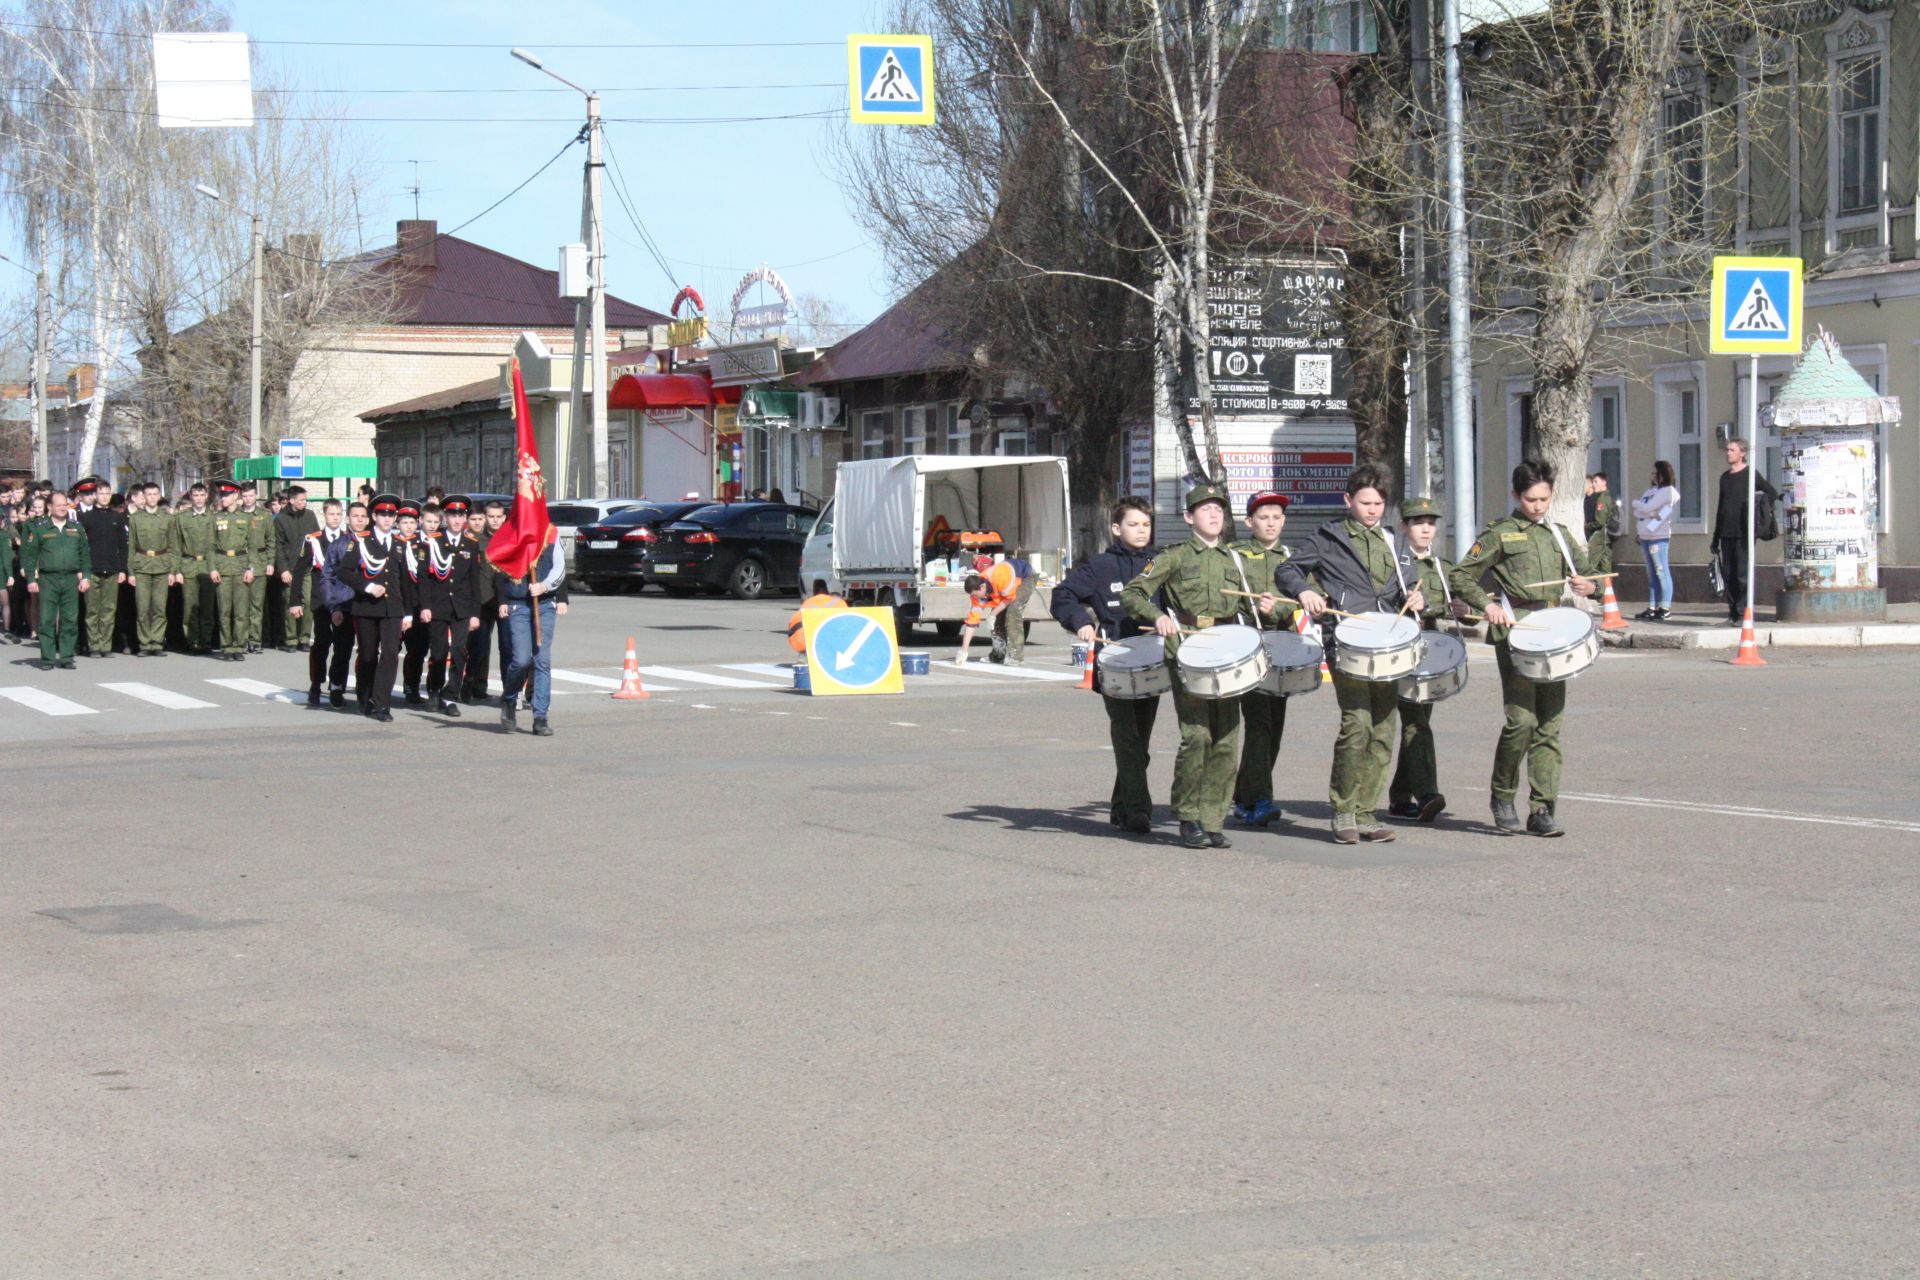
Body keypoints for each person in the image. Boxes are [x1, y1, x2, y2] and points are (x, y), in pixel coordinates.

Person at [1449, 460, 1597, 837]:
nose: (1538, 506)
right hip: (1515, 633)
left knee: (1549, 724)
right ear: (1517, 495)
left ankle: (1542, 809)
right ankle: (1502, 796)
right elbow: (1461, 574)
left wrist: (1588, 586)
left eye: (1545, 499)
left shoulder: (1558, 534)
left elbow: (1590, 573)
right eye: (1531, 499)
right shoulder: (1500, 534)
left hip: (1553, 632)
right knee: (1521, 722)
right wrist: (1488, 605)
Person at [1276, 464, 1422, 845]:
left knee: (1384, 726)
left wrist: (1420, 597)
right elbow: (1288, 569)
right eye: (1364, 502)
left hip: (1389, 643)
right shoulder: (1329, 537)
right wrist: (1304, 592)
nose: (1372, 509)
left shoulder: (1396, 540)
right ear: (1348, 501)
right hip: (1347, 641)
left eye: (1378, 503)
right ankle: (1343, 810)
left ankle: (1366, 812)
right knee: (1357, 722)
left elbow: (1414, 586)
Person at [1119, 482, 1244, 850]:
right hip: (1187, 649)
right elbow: (1132, 592)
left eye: (1219, 509)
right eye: (1206, 509)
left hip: (1226, 649)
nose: (1214, 514)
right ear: (1190, 517)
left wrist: (1271, 604)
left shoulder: (1234, 559)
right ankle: (1188, 817)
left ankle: (1213, 818)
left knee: (1226, 739)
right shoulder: (1174, 556)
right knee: (1197, 735)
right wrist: (1157, 615)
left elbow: (1255, 604)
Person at [1051, 495, 1160, 834]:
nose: (1141, 531)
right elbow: (1063, 594)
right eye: (1133, 524)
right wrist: (1080, 621)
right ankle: (1138, 810)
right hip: (1113, 664)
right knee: (1126, 737)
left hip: (1152, 663)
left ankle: (1120, 805)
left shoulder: (1159, 563)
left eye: (1145, 524)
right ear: (1116, 528)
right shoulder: (1101, 566)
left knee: (1140, 743)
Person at [1387, 496, 1461, 824]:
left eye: (1430, 522)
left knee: (1418, 721)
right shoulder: (1392, 564)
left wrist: (1465, 609)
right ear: (1404, 526)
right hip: (1399, 648)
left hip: (1430, 650)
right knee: (1416, 721)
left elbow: (1456, 602)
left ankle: (1400, 798)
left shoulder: (1441, 567)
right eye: (1418, 522)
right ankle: (1427, 792)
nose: (1426, 528)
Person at [1227, 491, 1299, 829]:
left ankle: (1244, 795)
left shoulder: (1293, 557)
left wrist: (1282, 606)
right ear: (1249, 522)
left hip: (1283, 647)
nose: (1271, 523)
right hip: (1248, 646)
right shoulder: (1236, 556)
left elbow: (1310, 594)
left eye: (1276, 517)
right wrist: (1253, 607)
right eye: (1263, 517)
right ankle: (1259, 799)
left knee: (1275, 728)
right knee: (1259, 724)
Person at [336, 494, 414, 723]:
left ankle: (382, 704)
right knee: (368, 655)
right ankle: (364, 694)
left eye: (392, 515)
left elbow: (406, 581)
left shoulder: (400, 544)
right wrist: (368, 586)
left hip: (392, 608)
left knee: (390, 654)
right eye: (383, 514)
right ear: (374, 516)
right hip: (367, 607)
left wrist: (408, 612)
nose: (388, 519)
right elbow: (345, 572)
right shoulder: (361, 541)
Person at [498, 535, 566, 736]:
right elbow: (500, 568)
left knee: (542, 660)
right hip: (518, 604)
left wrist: (545, 585)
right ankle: (509, 699)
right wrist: (503, 600)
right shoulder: (512, 535)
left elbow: (559, 568)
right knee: (521, 660)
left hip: (544, 604)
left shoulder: (552, 534)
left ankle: (540, 717)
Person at [294, 499, 359, 706]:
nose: (335, 518)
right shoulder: (313, 540)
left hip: (343, 600)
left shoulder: (349, 540)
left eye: (339, 514)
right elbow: (299, 570)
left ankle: (336, 685)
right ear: (325, 515)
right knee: (322, 644)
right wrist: (294, 600)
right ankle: (316, 683)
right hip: (321, 601)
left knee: (343, 646)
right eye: (332, 514)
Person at [21, 489, 90, 668]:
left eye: (64, 505)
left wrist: (86, 576)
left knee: (70, 619)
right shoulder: (41, 528)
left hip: (70, 579)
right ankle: (48, 658)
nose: (62, 508)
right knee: (47, 619)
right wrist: (31, 579)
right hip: (48, 579)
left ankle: (66, 657)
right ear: (49, 507)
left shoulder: (76, 528)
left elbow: (85, 554)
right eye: (58, 505)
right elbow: (30, 555)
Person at [1714, 437, 1780, 624]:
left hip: (1744, 532)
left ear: (1742, 453)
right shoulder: (1725, 478)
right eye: (1727, 450)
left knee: (1742, 574)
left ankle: (1744, 612)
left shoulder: (1751, 474)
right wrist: (1715, 537)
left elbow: (1771, 492)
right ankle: (1732, 613)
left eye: (1732, 450)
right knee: (1729, 575)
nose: (1728, 453)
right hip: (1727, 532)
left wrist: (1759, 513)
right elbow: (1721, 507)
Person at [76, 478, 127, 657]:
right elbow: (81, 546)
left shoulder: (118, 518)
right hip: (92, 569)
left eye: (107, 493)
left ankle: (106, 645)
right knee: (92, 610)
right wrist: (82, 570)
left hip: (112, 569)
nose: (104, 497)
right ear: (95, 495)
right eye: (101, 493)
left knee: (109, 609)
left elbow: (123, 545)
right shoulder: (86, 518)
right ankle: (93, 646)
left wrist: (123, 569)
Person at [463, 499, 506, 703]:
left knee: (504, 646)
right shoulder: (471, 540)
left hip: (501, 598)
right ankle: (471, 684)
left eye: (482, 518)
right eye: (476, 519)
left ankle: (484, 685)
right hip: (481, 599)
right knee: (479, 645)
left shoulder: (501, 538)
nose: (480, 522)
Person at [1632, 461, 1681, 620]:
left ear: (1663, 474)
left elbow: (1654, 512)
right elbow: (1639, 512)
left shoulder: (1668, 491)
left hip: (1658, 537)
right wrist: (1645, 514)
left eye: (1656, 473)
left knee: (1661, 571)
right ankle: (1652, 606)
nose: (1653, 476)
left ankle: (1665, 607)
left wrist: (1638, 505)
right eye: (1652, 473)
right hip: (1645, 536)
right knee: (1651, 573)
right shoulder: (1651, 490)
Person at [393, 500, 430, 704]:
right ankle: (378, 687)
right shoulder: (392, 544)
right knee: (391, 649)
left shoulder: (422, 546)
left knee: (417, 649)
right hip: (397, 605)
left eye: (412, 522)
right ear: (398, 524)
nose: (408, 526)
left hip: (417, 604)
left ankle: (411, 686)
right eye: (404, 522)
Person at [275, 485, 319, 652]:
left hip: (307, 568)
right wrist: (283, 569)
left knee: (307, 602)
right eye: (301, 500)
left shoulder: (310, 516)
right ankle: (291, 639)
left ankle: (305, 637)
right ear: (291, 500)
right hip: (290, 568)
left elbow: (316, 538)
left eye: (305, 499)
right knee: (290, 602)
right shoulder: (281, 519)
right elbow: (278, 546)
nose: (304, 502)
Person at [952, 560, 1022, 664]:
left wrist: (992, 614)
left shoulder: (999, 577)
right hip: (1005, 589)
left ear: (982, 587)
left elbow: (1010, 598)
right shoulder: (977, 593)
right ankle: (998, 656)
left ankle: (1016, 658)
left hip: (1023, 577)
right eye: (972, 596)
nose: (974, 598)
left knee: (1013, 614)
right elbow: (972, 622)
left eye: (975, 595)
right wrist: (964, 650)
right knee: (996, 622)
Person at [175, 481, 216, 652]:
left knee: (207, 606)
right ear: (190, 497)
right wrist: (177, 570)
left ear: (206, 496)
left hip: (208, 565)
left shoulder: (214, 517)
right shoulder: (181, 518)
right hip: (189, 565)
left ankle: (206, 641)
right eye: (195, 495)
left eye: (201, 495)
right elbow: (176, 546)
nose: (199, 499)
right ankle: (192, 641)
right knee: (190, 607)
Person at [238, 483, 274, 653]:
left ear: (256, 495)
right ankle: (242, 639)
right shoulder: (236, 515)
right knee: (241, 605)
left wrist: (270, 562)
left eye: (251, 496)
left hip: (259, 563)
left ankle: (255, 639)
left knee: (257, 605)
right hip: (240, 563)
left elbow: (270, 540)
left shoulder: (264, 515)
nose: (248, 499)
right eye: (245, 496)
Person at [1582, 473, 1619, 578]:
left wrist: (1586, 526)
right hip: (1606, 539)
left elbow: (1600, 522)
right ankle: (1606, 591)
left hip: (1600, 538)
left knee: (1590, 567)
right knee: (1605, 569)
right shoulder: (1607, 497)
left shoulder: (1601, 499)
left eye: (1595, 482)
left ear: (1604, 483)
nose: (1593, 485)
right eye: (1592, 482)